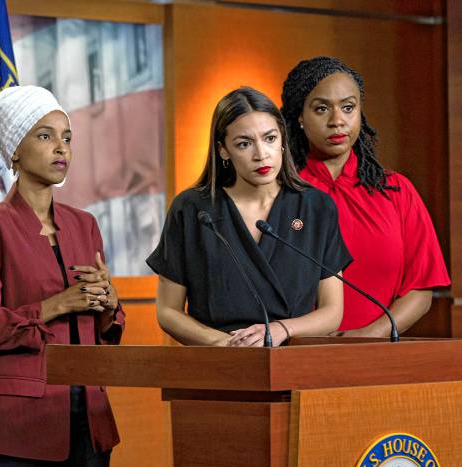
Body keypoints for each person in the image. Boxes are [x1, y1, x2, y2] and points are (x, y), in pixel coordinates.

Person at [0, 86, 124, 467]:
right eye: (45, 136)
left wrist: (109, 304)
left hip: (87, 424)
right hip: (14, 431)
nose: (61, 148)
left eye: (67, 137)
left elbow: (106, 329)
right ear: (14, 149)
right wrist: (56, 306)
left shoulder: (84, 224)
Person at [147, 87, 352, 347]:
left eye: (269, 138)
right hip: (215, 365)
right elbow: (168, 311)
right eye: (244, 144)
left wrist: (280, 329)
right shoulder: (191, 209)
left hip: (291, 364)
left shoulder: (316, 207)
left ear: (282, 140)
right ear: (223, 150)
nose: (260, 154)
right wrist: (227, 346)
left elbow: (332, 312)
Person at [281, 56, 450, 337]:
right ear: (299, 116)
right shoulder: (279, 192)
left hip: (377, 360)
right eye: (321, 109)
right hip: (293, 358)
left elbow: (420, 289)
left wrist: (371, 334)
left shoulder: (396, 190)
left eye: (348, 107)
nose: (337, 121)